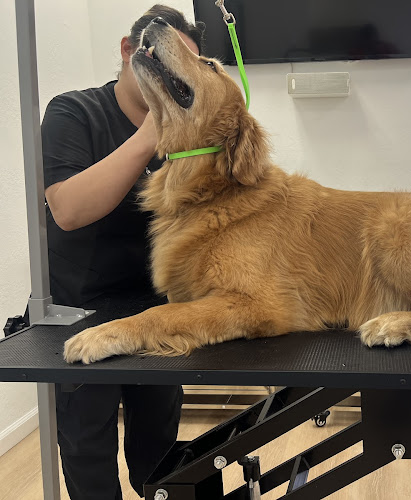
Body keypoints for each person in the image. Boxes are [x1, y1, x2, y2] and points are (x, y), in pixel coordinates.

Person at [40, 5, 205, 499]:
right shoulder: (73, 112)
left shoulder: (189, 131)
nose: (175, 76)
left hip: (158, 310)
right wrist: (152, 132)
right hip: (81, 309)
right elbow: (68, 209)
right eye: (165, 60)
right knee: (87, 452)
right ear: (129, 51)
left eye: (186, 67)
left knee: (158, 456)